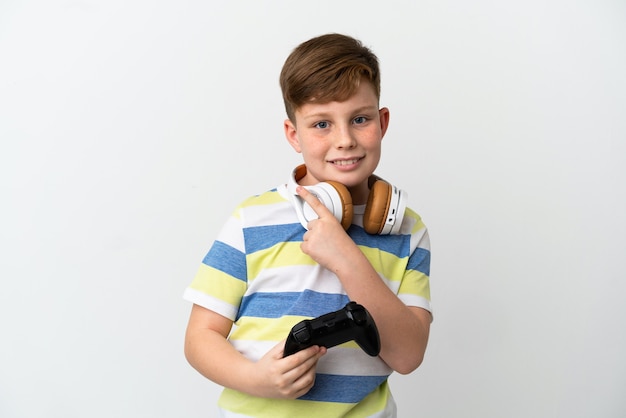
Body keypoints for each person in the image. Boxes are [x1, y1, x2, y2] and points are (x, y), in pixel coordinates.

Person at [183, 33, 432, 417]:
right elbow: (200, 338)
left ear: (382, 123)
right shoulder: (252, 219)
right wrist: (256, 379)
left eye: (360, 119)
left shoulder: (407, 231)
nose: (345, 140)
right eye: (321, 125)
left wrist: (346, 258)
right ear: (293, 135)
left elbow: (408, 355)